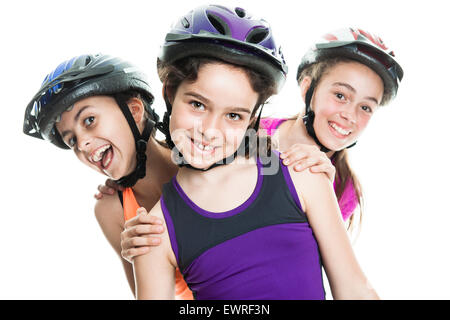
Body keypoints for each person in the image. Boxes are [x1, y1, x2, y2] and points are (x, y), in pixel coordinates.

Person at [22, 8, 333, 299]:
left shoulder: (205, 145)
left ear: (135, 110)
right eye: (72, 140)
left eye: (89, 121)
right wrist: (138, 257)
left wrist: (320, 168)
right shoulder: (112, 208)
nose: (84, 144)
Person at [133, 4, 378, 300]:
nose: (210, 130)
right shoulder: (154, 233)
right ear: (170, 93)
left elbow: (355, 290)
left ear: (251, 118)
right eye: (197, 104)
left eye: (233, 116)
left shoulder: (302, 173)